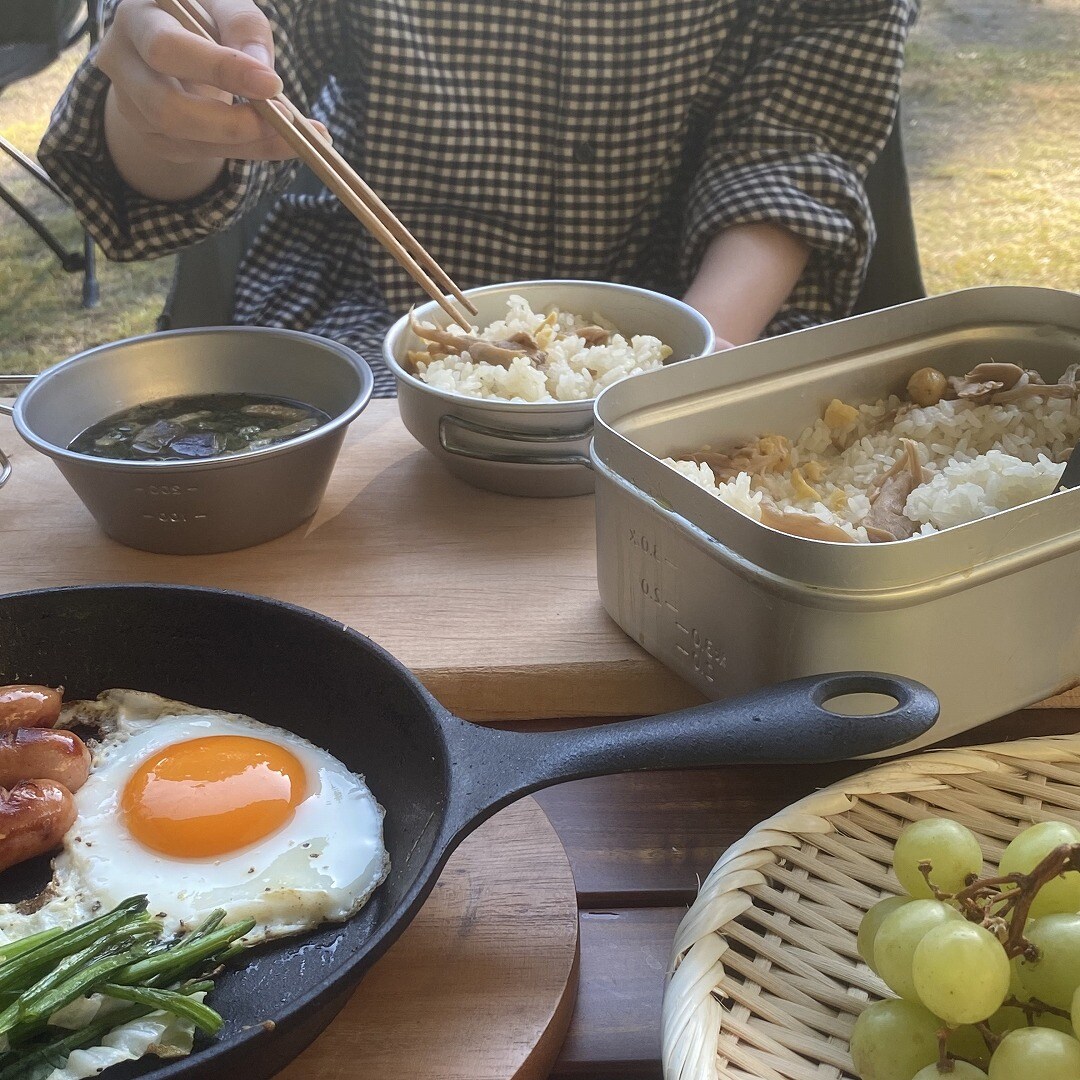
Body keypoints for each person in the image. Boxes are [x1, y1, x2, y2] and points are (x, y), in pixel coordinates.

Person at [41, 0, 918, 396]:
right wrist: (165, 116)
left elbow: (792, 145)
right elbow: (230, 78)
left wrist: (675, 364)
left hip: (697, 315)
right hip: (369, 321)